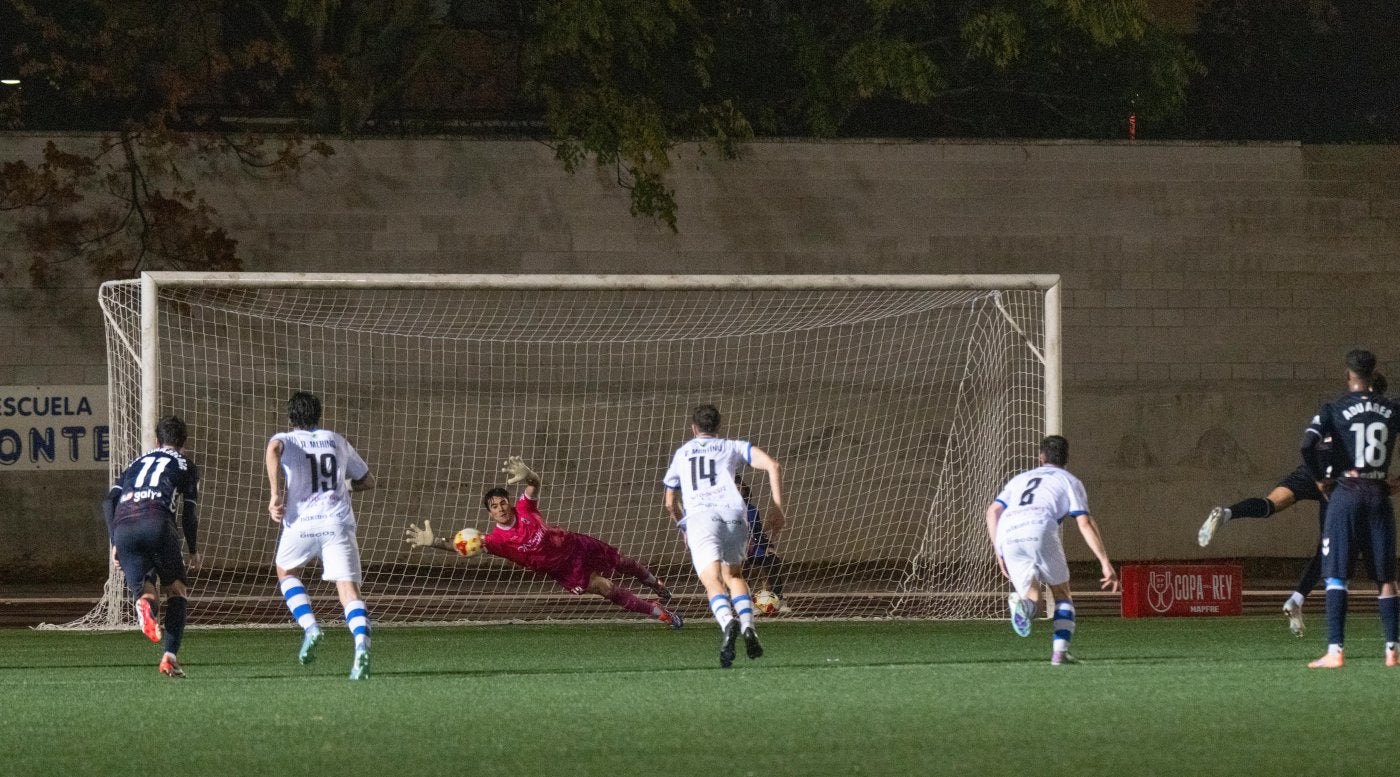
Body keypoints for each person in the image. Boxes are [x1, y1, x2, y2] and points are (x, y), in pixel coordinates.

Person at [1197, 373, 1389, 637]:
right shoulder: (1375, 415)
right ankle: (1296, 600)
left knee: (1269, 504)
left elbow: (1310, 442)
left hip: (1309, 468)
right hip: (1334, 480)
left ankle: (1228, 513)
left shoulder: (1340, 407)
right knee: (1329, 549)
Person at [404, 456, 681, 627]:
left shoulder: (525, 509)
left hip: (576, 545)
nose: (500, 508)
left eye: (503, 502)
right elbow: (459, 547)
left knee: (624, 562)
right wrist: (434, 542)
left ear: (509, 504)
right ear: (489, 513)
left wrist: (529, 474)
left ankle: (654, 583)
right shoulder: (495, 540)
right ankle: (658, 612)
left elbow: (534, 484)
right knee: (606, 588)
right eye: (494, 506)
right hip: (563, 570)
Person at [663, 404, 787, 668]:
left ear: (693, 428)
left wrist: (683, 527)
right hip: (734, 515)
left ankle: (727, 623)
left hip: (701, 519)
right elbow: (773, 465)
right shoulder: (731, 446)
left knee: (712, 580)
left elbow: (670, 502)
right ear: (718, 427)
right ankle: (748, 627)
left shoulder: (683, 453)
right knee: (734, 576)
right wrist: (777, 509)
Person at [1299, 349, 1400, 669]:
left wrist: (1318, 481)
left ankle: (1335, 650)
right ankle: (1392, 651)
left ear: (1348, 375)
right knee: (1386, 577)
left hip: (1346, 494)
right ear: (1373, 374)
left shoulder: (1335, 408)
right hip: (1378, 495)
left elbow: (1306, 445)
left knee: (1337, 574)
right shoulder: (1392, 407)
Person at [265, 391, 376, 680]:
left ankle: (311, 626)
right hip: (337, 521)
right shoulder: (337, 440)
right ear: (319, 415)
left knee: (285, 570)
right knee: (348, 590)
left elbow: (273, 450)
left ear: (291, 418)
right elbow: (367, 481)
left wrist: (276, 495)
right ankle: (361, 646)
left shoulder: (286, 439)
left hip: (301, 523)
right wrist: (342, 486)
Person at [985, 434, 1119, 665]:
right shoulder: (1069, 480)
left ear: (1041, 457)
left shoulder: (1020, 479)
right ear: (1066, 459)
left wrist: (999, 551)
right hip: (1039, 528)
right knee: (1062, 595)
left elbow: (992, 512)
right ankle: (1059, 653)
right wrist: (1105, 563)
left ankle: (1022, 605)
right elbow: (1084, 522)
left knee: (1033, 600)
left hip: (1008, 533)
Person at [103, 415, 200, 678]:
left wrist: (115, 542)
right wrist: (193, 548)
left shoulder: (135, 463)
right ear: (185, 442)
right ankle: (169, 657)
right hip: (157, 523)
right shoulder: (186, 465)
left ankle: (146, 608)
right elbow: (188, 515)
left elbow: (108, 502)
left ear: (157, 440)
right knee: (177, 590)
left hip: (124, 528)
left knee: (146, 593)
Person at [737, 476, 790, 614]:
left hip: (753, 548)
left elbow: (758, 531)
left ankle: (779, 599)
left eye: (739, 488)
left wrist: (768, 546)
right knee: (741, 568)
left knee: (773, 560)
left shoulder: (752, 510)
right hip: (734, 549)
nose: (737, 491)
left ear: (745, 490)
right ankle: (747, 603)